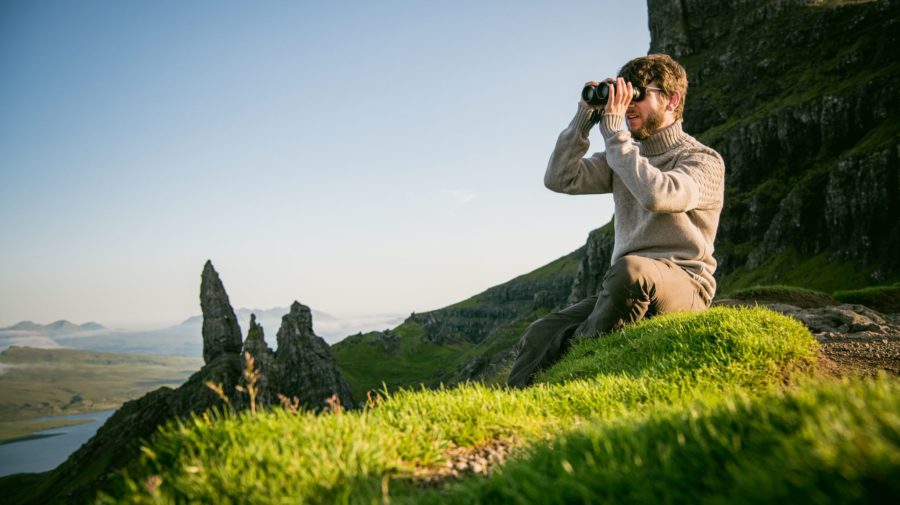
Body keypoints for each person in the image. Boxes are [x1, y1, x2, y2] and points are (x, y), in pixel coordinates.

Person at [507, 54, 725, 388]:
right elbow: (559, 178)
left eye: (638, 94)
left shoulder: (702, 160)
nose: (627, 105)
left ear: (672, 100)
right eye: (623, 94)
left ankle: (576, 372)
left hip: (685, 287)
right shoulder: (623, 156)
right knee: (542, 332)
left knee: (631, 271)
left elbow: (659, 195)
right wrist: (583, 120)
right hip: (628, 286)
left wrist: (613, 135)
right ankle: (516, 404)